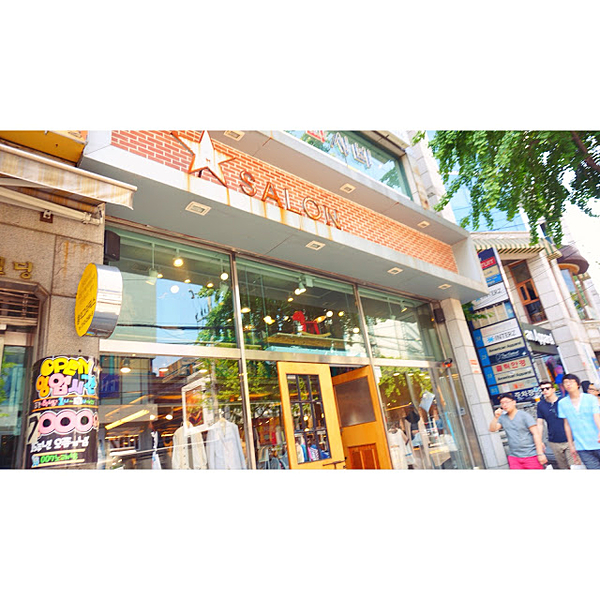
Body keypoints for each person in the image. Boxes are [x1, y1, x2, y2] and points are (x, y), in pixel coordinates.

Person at [489, 392, 547, 469]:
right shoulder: (502, 418)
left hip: (531, 455)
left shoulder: (524, 416)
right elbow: (492, 429)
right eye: (502, 403)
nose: (504, 405)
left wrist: (540, 454)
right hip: (514, 457)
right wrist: (496, 417)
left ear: (514, 402)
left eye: (507, 402)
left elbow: (536, 434)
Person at [558, 373, 600, 469]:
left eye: (571, 382)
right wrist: (571, 445)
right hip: (581, 446)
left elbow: (596, 416)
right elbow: (567, 425)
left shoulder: (590, 398)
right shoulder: (562, 403)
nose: (568, 384)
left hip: (597, 440)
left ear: (578, 384)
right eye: (565, 382)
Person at [536, 381, 576, 469]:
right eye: (542, 389)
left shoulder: (563, 401)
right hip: (554, 440)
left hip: (569, 439)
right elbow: (540, 423)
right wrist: (539, 441)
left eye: (547, 388)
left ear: (553, 389)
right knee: (563, 467)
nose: (545, 391)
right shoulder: (541, 405)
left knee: (574, 466)